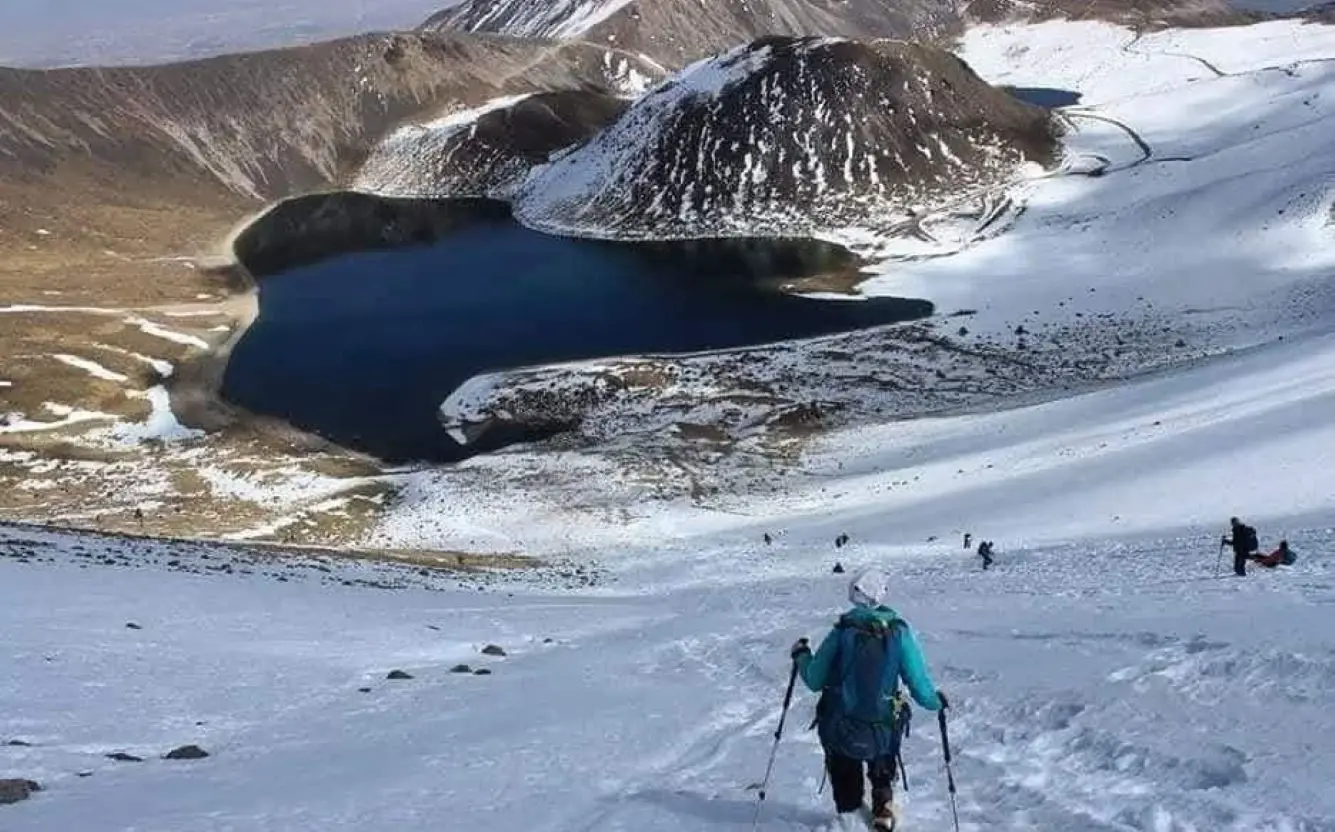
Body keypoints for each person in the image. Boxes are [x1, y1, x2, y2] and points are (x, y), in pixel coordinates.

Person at [791, 569, 947, 831]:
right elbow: (919, 683)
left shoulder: (843, 631)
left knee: (844, 774)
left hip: (841, 726)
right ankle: (884, 809)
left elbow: (815, 679)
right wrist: (936, 702)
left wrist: (801, 655)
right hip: (882, 726)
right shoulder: (898, 631)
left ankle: (850, 815)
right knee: (882, 764)